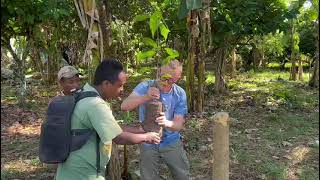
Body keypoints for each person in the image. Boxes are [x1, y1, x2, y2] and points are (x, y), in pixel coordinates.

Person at [55, 59, 161, 180]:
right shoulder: (95, 104)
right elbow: (118, 137)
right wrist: (147, 137)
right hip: (83, 172)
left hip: (72, 170)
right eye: (119, 85)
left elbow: (111, 127)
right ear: (106, 84)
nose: (122, 90)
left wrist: (141, 129)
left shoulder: (85, 93)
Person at [121, 60, 191, 180]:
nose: (165, 82)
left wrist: (166, 122)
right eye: (163, 77)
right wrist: (146, 96)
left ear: (178, 78)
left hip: (171, 142)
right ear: (159, 72)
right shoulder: (145, 86)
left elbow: (178, 125)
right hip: (148, 141)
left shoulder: (179, 93)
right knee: (148, 177)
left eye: (170, 80)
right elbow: (124, 106)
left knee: (182, 175)